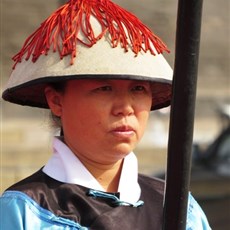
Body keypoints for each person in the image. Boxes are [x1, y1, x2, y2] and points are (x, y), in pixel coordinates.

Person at [0, 0, 211, 229]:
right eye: (104, 88)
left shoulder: (179, 209)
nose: (125, 107)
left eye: (138, 89)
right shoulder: (24, 211)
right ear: (56, 100)